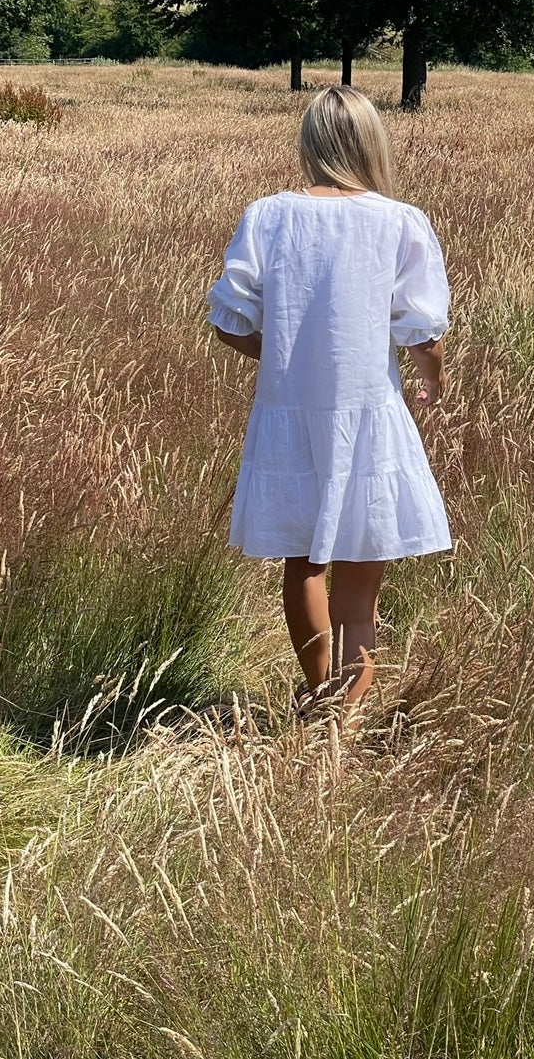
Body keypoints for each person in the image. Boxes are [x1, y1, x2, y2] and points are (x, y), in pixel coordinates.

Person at [207, 85, 451, 721]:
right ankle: (341, 718)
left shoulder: (268, 215)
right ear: (371, 142)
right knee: (360, 579)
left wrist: (288, 358)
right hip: (370, 410)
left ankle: (318, 701)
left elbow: (229, 319)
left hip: (290, 415)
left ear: (310, 143)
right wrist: (434, 380)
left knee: (304, 560)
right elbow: (420, 329)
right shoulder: (398, 220)